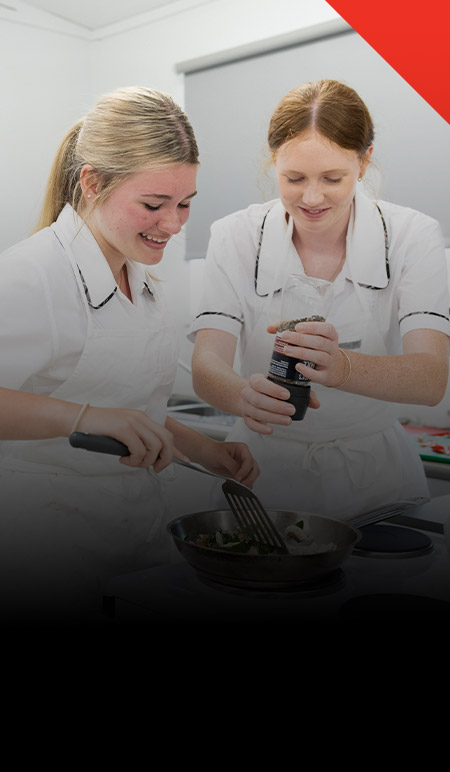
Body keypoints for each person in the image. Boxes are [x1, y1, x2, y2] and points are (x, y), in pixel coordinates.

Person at [0, 86, 258, 623]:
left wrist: (205, 450)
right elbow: (93, 411)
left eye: (185, 203)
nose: (174, 224)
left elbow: (131, 405)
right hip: (44, 544)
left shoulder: (140, 278)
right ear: (93, 183)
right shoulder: (31, 274)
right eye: (153, 204)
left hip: (133, 532)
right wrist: (83, 418)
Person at [189, 79, 450, 523]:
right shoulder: (236, 236)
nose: (311, 198)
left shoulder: (412, 236)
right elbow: (206, 364)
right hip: (263, 470)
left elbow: (430, 381)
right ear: (273, 160)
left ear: (363, 162)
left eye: (333, 178)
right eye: (294, 178)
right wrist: (241, 395)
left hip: (377, 477)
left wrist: (343, 367)